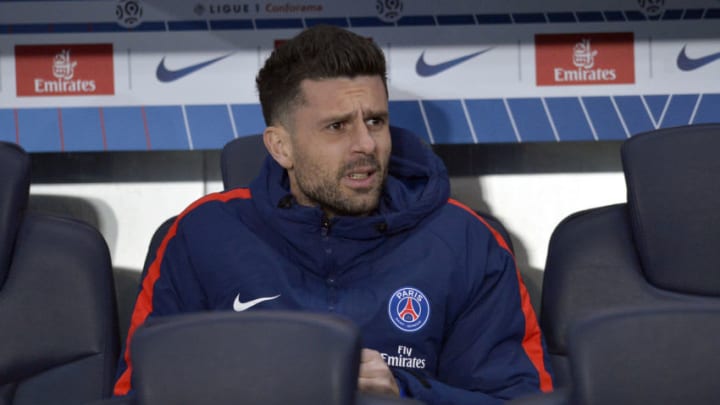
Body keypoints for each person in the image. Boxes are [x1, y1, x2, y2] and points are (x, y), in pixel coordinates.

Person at [114, 25, 553, 403]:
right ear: (280, 146)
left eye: (376, 121)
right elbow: (138, 394)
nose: (366, 144)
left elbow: (520, 400)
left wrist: (403, 392)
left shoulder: (466, 242)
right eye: (337, 126)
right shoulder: (200, 235)